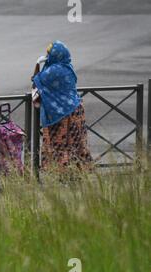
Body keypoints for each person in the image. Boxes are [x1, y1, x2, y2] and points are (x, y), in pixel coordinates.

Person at [31, 41, 92, 175]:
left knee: (59, 144)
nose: (47, 56)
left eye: (48, 53)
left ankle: (61, 174)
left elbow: (35, 81)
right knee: (75, 143)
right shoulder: (67, 67)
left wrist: (37, 64)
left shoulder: (53, 71)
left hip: (60, 115)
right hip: (75, 110)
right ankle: (76, 172)